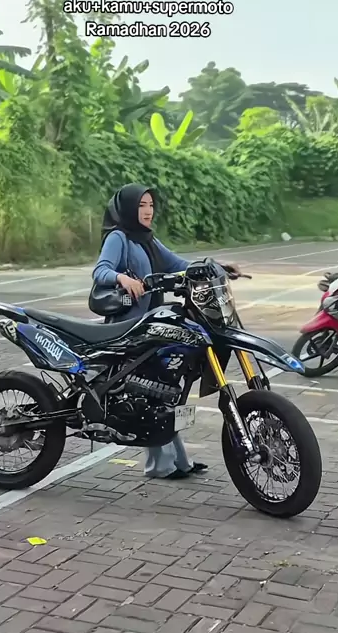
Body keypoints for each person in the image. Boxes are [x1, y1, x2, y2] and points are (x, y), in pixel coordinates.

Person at [92, 182, 238, 479]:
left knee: (164, 391)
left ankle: (179, 462)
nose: (148, 211)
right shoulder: (119, 238)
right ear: (128, 209)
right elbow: (101, 270)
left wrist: (217, 268)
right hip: (129, 328)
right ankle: (160, 465)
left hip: (153, 325)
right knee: (152, 392)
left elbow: (179, 264)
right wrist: (122, 278)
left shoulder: (147, 239)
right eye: (141, 205)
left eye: (151, 205)